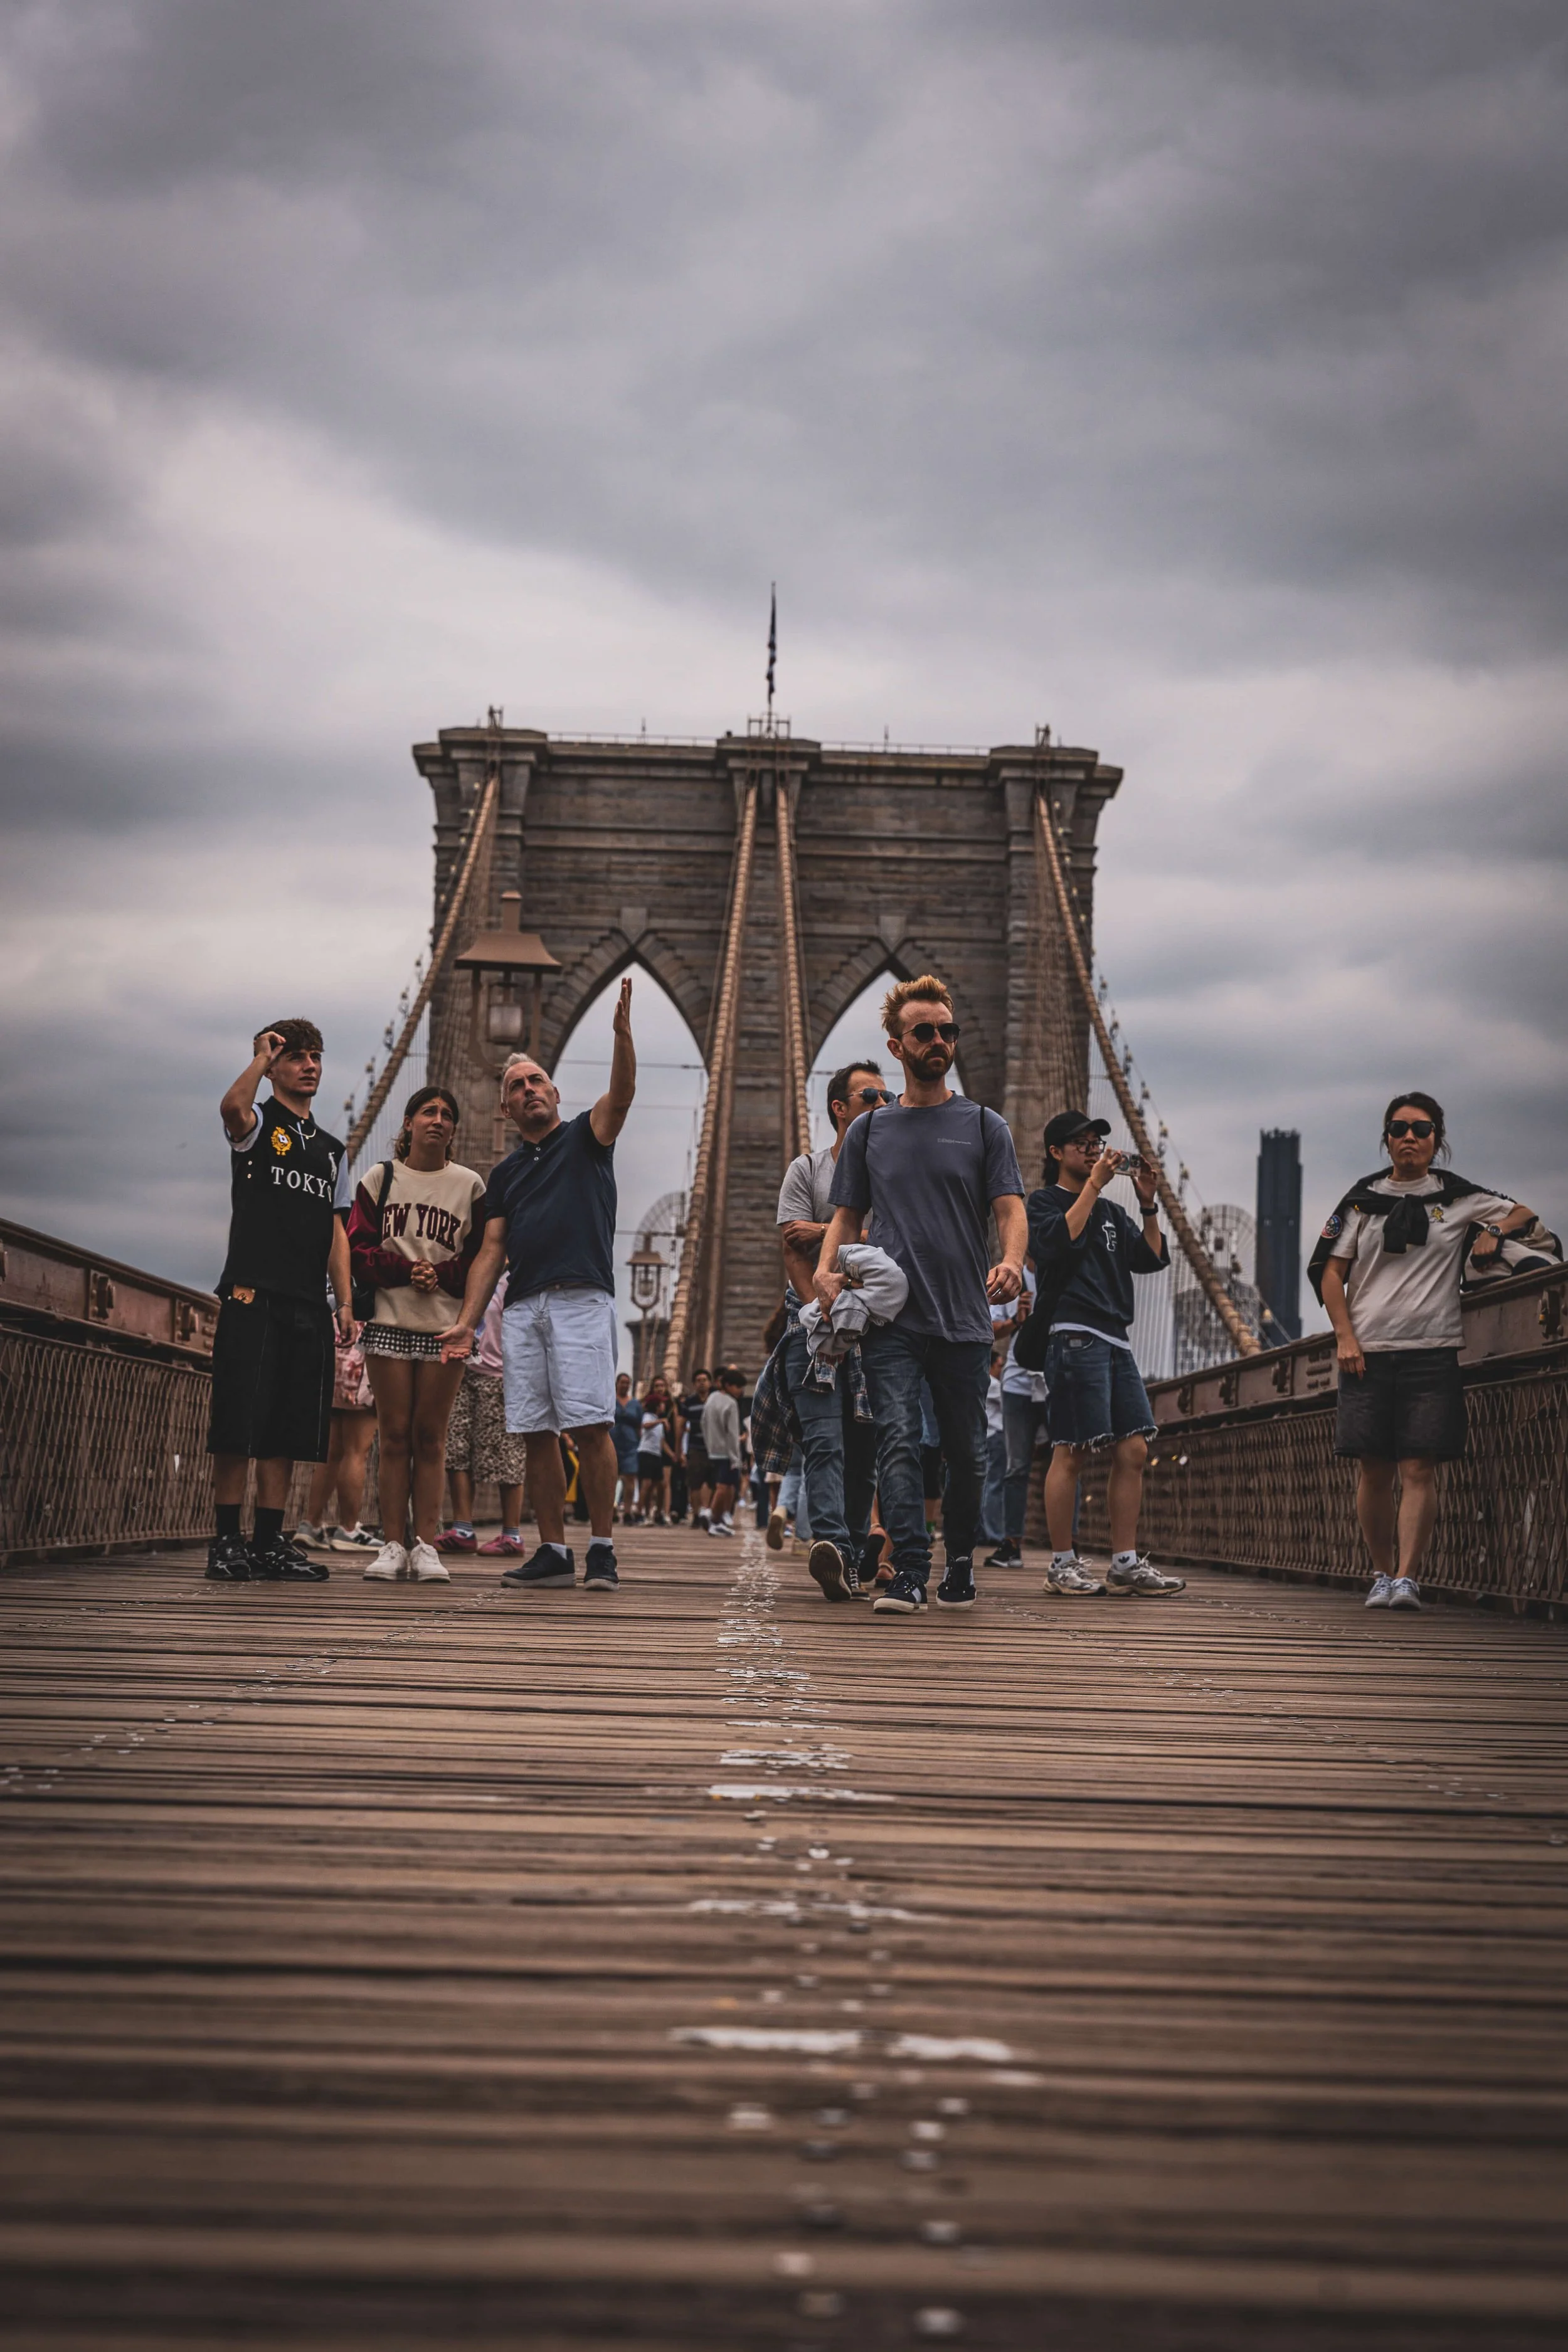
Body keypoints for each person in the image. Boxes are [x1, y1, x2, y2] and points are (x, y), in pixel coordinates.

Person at [817, 974, 1027, 1615]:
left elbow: (1010, 1209)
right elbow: (847, 1220)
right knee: (898, 1440)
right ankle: (909, 1569)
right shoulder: (869, 1132)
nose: (940, 1041)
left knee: (965, 1454)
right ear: (897, 1045)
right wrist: (828, 1272)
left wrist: (1014, 1261)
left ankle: (959, 1561)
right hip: (891, 1320)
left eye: (948, 1031)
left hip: (964, 1319)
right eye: (925, 1032)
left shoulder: (985, 1125)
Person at [439, 975, 637, 1592]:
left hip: (580, 1297)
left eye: (535, 1082)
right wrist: (468, 1323)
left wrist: (623, 1038)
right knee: (534, 1430)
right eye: (515, 1088)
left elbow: (622, 1096)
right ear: (505, 1109)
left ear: (555, 1092)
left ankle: (600, 1548)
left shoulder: (586, 1138)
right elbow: (490, 1251)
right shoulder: (502, 1175)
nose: (527, 1091)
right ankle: (553, 1550)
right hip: (523, 1308)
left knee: (590, 1424)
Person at [1312, 1092, 1534, 1611]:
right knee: (1373, 1470)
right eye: (1398, 1128)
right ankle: (1381, 1573)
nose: (1409, 1137)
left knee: (1418, 1469)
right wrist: (1345, 1336)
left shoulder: (1460, 1198)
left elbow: (1525, 1214)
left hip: (1432, 1350)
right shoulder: (1361, 1199)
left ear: (1438, 1139)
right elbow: (1329, 1272)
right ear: (1386, 1139)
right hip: (1367, 1351)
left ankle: (1409, 1579)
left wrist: (1493, 1230)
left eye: (1421, 1129)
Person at [208, 1020, 354, 1584]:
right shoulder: (257, 1124)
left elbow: (338, 1233)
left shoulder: (332, 1151)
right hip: (252, 1293)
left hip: (308, 1304)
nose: (310, 1065)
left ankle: (269, 1541)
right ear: (274, 1066)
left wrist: (344, 1302)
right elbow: (230, 1107)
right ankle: (225, 1540)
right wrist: (260, 1057)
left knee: (287, 1430)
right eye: (295, 1057)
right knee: (239, 1422)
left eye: (316, 1056)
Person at [1029, 1111, 1184, 1597]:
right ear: (1056, 1152)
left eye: (1097, 1143)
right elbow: (1055, 1245)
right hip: (1073, 1332)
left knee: (1134, 1448)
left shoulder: (1115, 1214)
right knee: (1071, 1448)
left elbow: (1151, 1259)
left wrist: (1148, 1204)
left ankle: (1124, 1562)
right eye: (1081, 1143)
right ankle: (1062, 1563)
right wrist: (1093, 1188)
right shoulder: (1042, 1203)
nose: (1094, 1150)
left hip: (1117, 1337)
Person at [348, 1086, 485, 1584]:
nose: (438, 1120)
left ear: (454, 1130)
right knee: (395, 1437)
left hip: (445, 1329)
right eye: (428, 1112)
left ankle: (425, 1544)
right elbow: (356, 1248)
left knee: (431, 1438)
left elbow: (480, 1261)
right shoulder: (379, 1178)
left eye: (448, 1115)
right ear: (407, 1124)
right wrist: (409, 1271)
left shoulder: (471, 1186)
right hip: (388, 1322)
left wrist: (440, 1276)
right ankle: (391, 1544)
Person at [778, 1061, 890, 1601]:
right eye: (871, 1095)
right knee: (825, 1441)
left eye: (888, 1095)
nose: (884, 1103)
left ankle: (848, 1552)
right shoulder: (807, 1170)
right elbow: (790, 1249)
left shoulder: (896, 1174)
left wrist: (824, 1231)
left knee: (864, 1448)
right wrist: (820, 1313)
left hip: (877, 1329)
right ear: (840, 1109)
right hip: (813, 1328)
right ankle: (834, 1548)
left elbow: (894, 1241)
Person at [442, 1292, 527, 1559]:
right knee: (456, 1448)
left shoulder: (509, 1282)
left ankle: (512, 1534)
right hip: (461, 1370)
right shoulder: (471, 1276)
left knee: (507, 1454)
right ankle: (462, 1529)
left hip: (500, 1376)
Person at [984, 1264, 1050, 1569]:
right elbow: (992, 1326)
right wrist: (1017, 1320)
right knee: (1016, 1467)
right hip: (1018, 1381)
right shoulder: (1012, 1275)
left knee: (1067, 1459)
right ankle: (1011, 1544)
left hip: (1056, 1378)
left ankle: (1067, 1548)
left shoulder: (1063, 1268)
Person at [298, 1326, 378, 1552]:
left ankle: (310, 1525)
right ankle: (349, 1529)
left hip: (337, 1343)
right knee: (356, 1451)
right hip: (363, 1354)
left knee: (332, 1452)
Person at [702, 1367, 746, 1536]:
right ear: (728, 1385)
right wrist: (736, 1458)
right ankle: (711, 1515)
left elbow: (703, 1423)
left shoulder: (711, 1398)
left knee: (723, 1485)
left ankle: (718, 1521)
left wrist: (710, 1445)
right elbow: (733, 1433)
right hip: (728, 1453)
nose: (741, 1391)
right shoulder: (731, 1403)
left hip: (713, 1449)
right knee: (724, 1486)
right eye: (738, 1387)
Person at [635, 1374, 680, 1523]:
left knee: (658, 1484)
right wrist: (661, 1421)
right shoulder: (649, 1415)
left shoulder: (672, 1407)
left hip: (658, 1454)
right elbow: (644, 1426)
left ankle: (657, 1513)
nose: (660, 1389)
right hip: (647, 1453)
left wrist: (673, 1454)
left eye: (662, 1386)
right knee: (647, 1484)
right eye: (657, 1386)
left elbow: (662, 1441)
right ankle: (640, 1512)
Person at [681, 1369, 714, 1526]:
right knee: (695, 1483)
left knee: (709, 1481)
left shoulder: (715, 1400)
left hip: (713, 1448)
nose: (702, 1382)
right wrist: (679, 1450)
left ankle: (705, 1513)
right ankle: (695, 1516)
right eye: (699, 1380)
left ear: (710, 1383)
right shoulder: (689, 1402)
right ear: (694, 1384)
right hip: (695, 1447)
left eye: (705, 1379)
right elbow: (680, 1426)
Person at [612, 1372, 644, 1520]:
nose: (625, 1385)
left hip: (631, 1445)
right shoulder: (611, 1401)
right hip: (612, 1444)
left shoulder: (635, 1404)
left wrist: (640, 1442)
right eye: (622, 1382)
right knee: (611, 1478)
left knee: (630, 1478)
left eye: (627, 1383)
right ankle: (611, 1510)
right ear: (616, 1383)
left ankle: (628, 1512)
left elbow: (639, 1425)